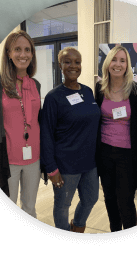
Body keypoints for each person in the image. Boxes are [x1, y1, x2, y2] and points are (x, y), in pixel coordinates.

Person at [0, 30, 42, 218]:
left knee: (30, 207)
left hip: (34, 158)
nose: (23, 55)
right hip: (7, 161)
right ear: (8, 53)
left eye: (27, 50)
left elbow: (36, 120)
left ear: (32, 54)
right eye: (17, 49)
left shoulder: (35, 84)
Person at [40, 47, 101, 233]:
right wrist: (51, 168)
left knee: (91, 198)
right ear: (60, 65)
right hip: (65, 166)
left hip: (89, 163)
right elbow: (46, 134)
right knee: (63, 205)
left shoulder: (89, 91)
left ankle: (79, 226)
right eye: (67, 62)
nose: (73, 66)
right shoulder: (53, 97)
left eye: (77, 62)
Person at [94, 46, 137, 232]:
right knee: (109, 199)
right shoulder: (99, 89)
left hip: (128, 155)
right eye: (114, 60)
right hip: (105, 153)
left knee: (125, 200)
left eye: (122, 60)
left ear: (127, 65)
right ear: (108, 63)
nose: (118, 64)